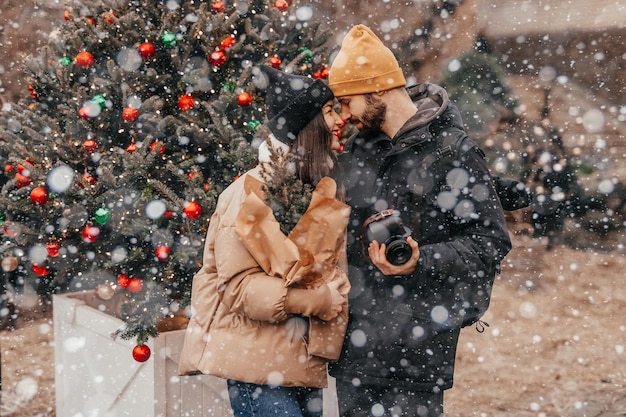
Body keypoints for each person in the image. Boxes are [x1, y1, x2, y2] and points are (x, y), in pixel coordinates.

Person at [327, 25, 512, 417]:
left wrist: (419, 260)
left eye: (348, 101)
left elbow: (490, 243)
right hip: (355, 359)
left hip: (416, 357)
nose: (344, 115)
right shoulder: (356, 153)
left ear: (377, 89)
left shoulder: (454, 153)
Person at [178, 65, 350, 417]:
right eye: (330, 111)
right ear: (308, 127)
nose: (340, 120)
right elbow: (238, 288)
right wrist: (310, 300)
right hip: (257, 368)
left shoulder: (319, 191)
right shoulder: (250, 193)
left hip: (299, 364)